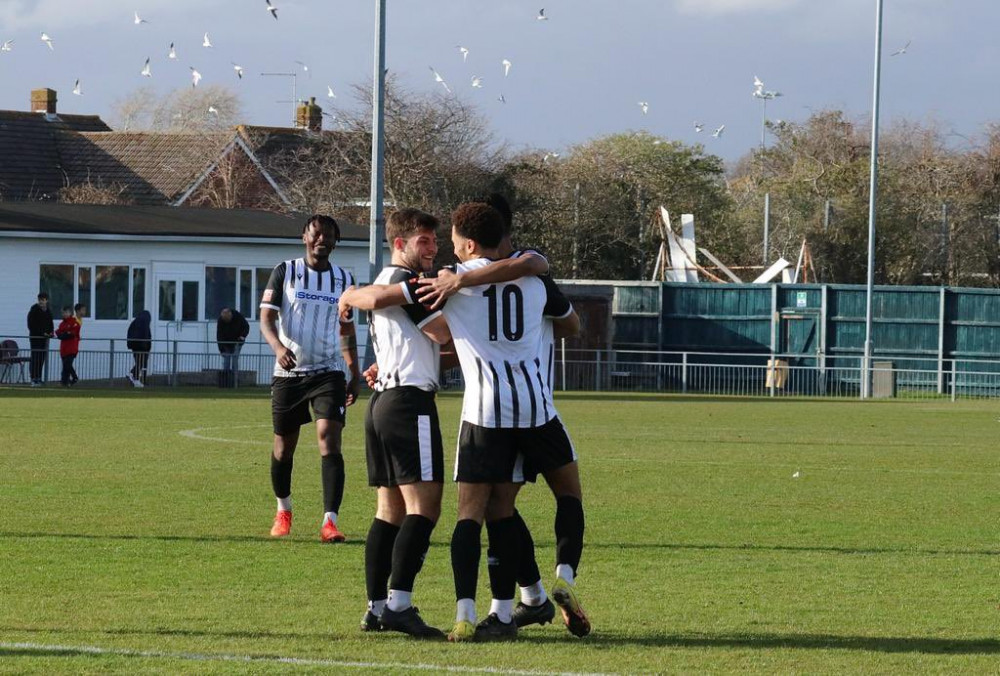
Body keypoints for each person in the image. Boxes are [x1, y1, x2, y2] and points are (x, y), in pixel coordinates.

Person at [418, 195, 590, 639]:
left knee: (474, 514)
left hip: (486, 413)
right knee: (568, 496)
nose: (451, 250)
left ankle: (465, 613)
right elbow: (568, 322)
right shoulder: (534, 279)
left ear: (470, 243)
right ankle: (561, 580)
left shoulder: (449, 283)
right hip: (538, 409)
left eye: (455, 242)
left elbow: (426, 327)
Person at [337, 208, 453, 639]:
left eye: (434, 241)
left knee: (390, 511)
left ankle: (376, 606)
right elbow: (443, 334)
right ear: (400, 243)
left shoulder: (385, 281)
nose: (433, 248)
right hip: (408, 403)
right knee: (426, 507)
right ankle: (400, 605)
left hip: (384, 401)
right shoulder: (408, 285)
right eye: (424, 241)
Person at [259, 214, 361, 543]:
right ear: (305, 236)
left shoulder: (344, 280)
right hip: (289, 373)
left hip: (328, 372)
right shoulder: (285, 271)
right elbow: (266, 318)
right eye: (317, 234)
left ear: (335, 241)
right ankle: (283, 509)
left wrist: (354, 371)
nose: (322, 240)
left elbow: (346, 329)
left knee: (329, 439)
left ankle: (330, 522)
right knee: (282, 449)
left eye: (329, 236)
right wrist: (277, 348)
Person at [217, 307, 250, 387]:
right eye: (225, 321)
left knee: (235, 361)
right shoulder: (221, 320)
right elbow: (219, 335)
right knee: (226, 363)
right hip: (226, 343)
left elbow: (246, 326)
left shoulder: (238, 316)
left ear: (231, 316)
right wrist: (221, 350)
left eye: (228, 320)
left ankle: (235, 382)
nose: (227, 322)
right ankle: (226, 383)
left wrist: (243, 336)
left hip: (237, 342)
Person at [27, 292, 54, 386]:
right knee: (35, 357)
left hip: (44, 340)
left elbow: (51, 323)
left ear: (47, 300)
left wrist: (50, 333)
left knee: (41, 359)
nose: (41, 302)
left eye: (43, 300)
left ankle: (38, 378)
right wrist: (41, 333)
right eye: (40, 300)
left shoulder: (48, 311)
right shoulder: (34, 310)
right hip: (36, 338)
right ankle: (33, 378)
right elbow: (31, 324)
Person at [55, 306, 81, 387]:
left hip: (72, 348)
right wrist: (65, 334)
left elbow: (72, 334)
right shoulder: (62, 324)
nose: (64, 314)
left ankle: (74, 377)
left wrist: (64, 334)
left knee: (67, 364)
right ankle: (64, 382)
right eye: (63, 312)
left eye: (66, 312)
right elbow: (58, 333)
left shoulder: (74, 322)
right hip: (64, 349)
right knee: (65, 366)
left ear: (70, 313)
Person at [126, 310, 152, 388]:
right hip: (142, 347)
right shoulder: (144, 323)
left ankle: (137, 379)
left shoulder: (135, 323)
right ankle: (133, 375)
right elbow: (147, 336)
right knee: (141, 363)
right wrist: (147, 347)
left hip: (135, 346)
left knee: (140, 363)